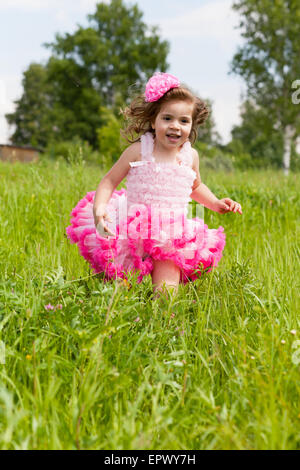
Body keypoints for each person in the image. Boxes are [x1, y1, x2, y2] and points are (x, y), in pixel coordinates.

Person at [66, 72, 242, 297]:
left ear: (192, 125)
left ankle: (163, 324)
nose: (175, 126)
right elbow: (109, 181)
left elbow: (195, 187)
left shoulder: (190, 157)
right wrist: (99, 210)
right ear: (153, 120)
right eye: (167, 118)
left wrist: (216, 203)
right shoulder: (139, 150)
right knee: (120, 291)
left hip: (170, 235)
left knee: (166, 295)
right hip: (131, 230)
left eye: (183, 121)